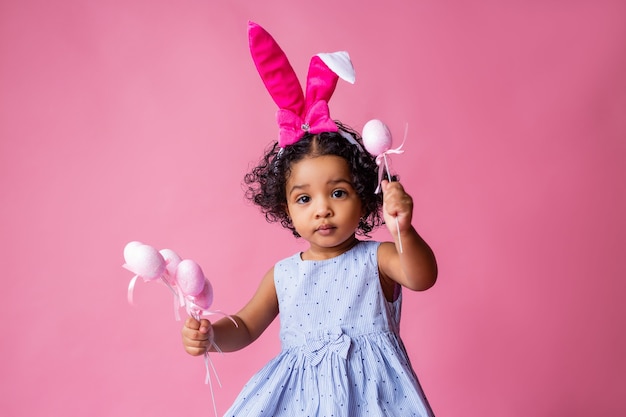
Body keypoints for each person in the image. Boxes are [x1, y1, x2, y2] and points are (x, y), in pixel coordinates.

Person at [181, 21, 438, 416]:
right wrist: (212, 334)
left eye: (338, 192)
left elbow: (422, 277)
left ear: (363, 195)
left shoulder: (378, 258)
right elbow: (246, 326)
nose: (322, 209)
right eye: (304, 198)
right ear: (285, 206)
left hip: (375, 400)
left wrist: (404, 229)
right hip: (302, 403)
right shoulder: (283, 275)